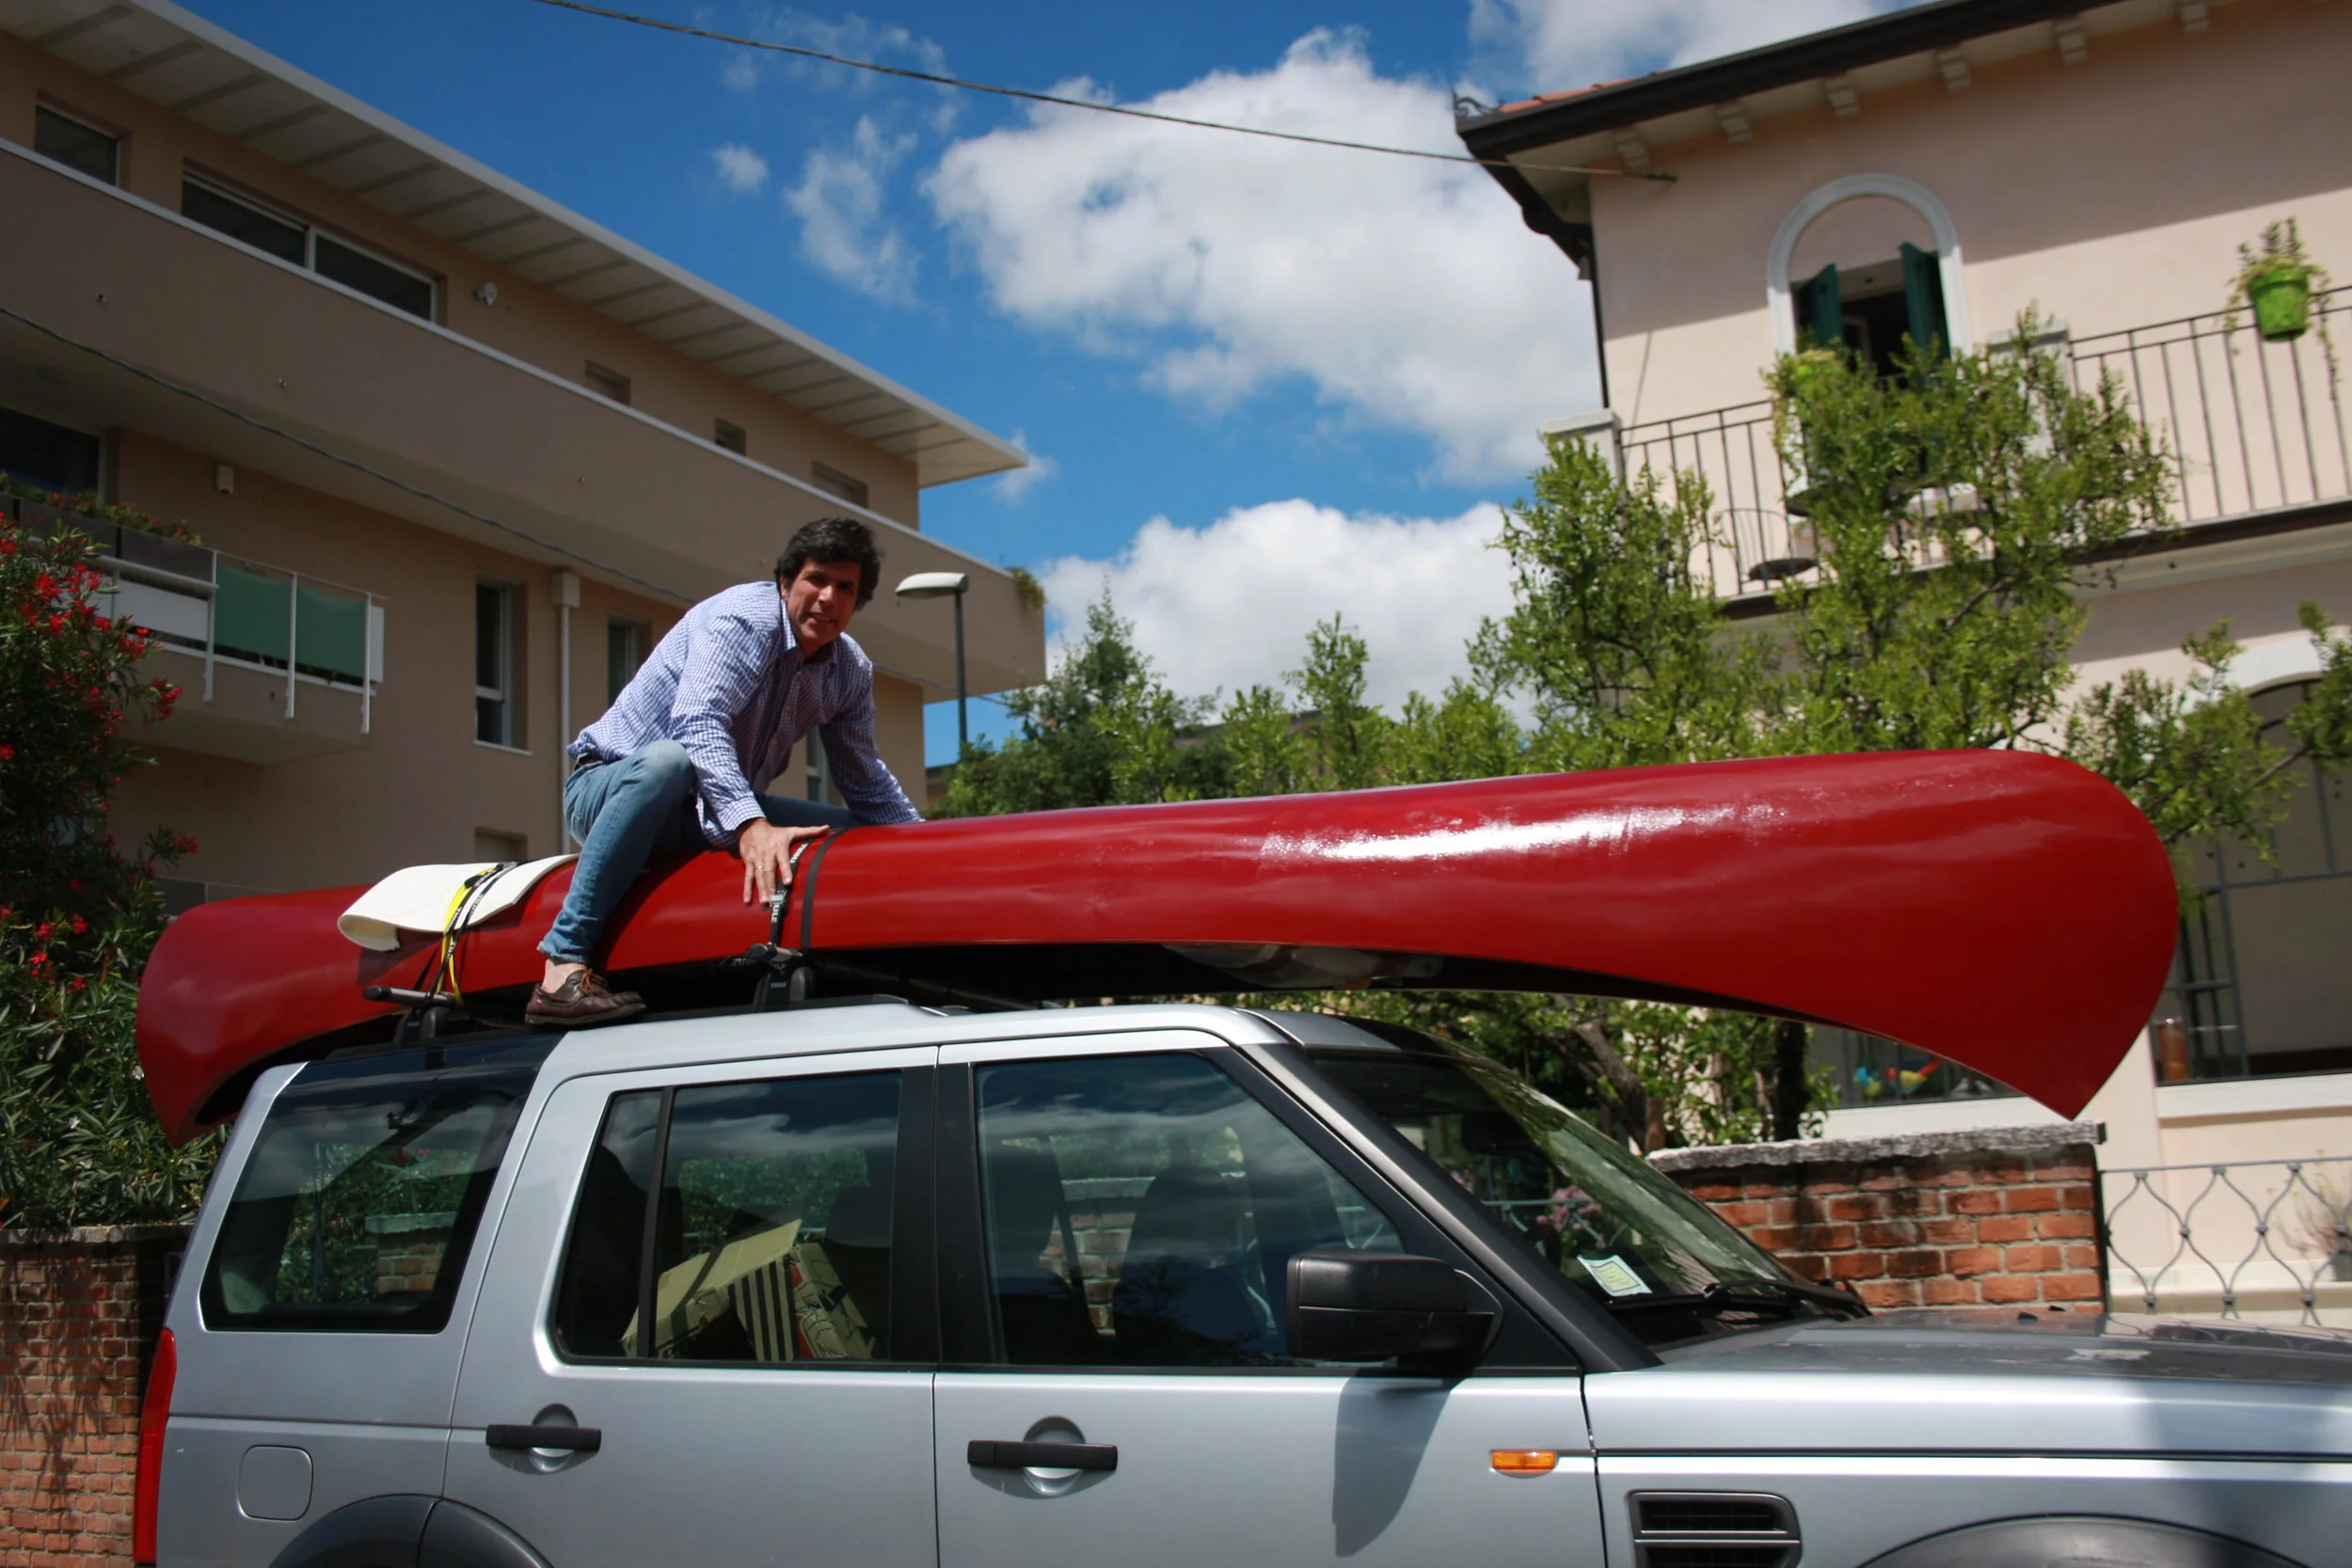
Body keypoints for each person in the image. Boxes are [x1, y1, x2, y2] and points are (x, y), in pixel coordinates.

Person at [527, 515, 921, 1026]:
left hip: (708, 810)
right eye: (816, 579)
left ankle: (888, 958)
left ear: (856, 602)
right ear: (785, 583)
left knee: (852, 835)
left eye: (845, 588)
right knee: (669, 760)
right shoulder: (743, 619)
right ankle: (562, 967)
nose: (828, 597)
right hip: (613, 788)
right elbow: (698, 722)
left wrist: (926, 851)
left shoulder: (850, 669)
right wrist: (751, 826)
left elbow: (864, 778)